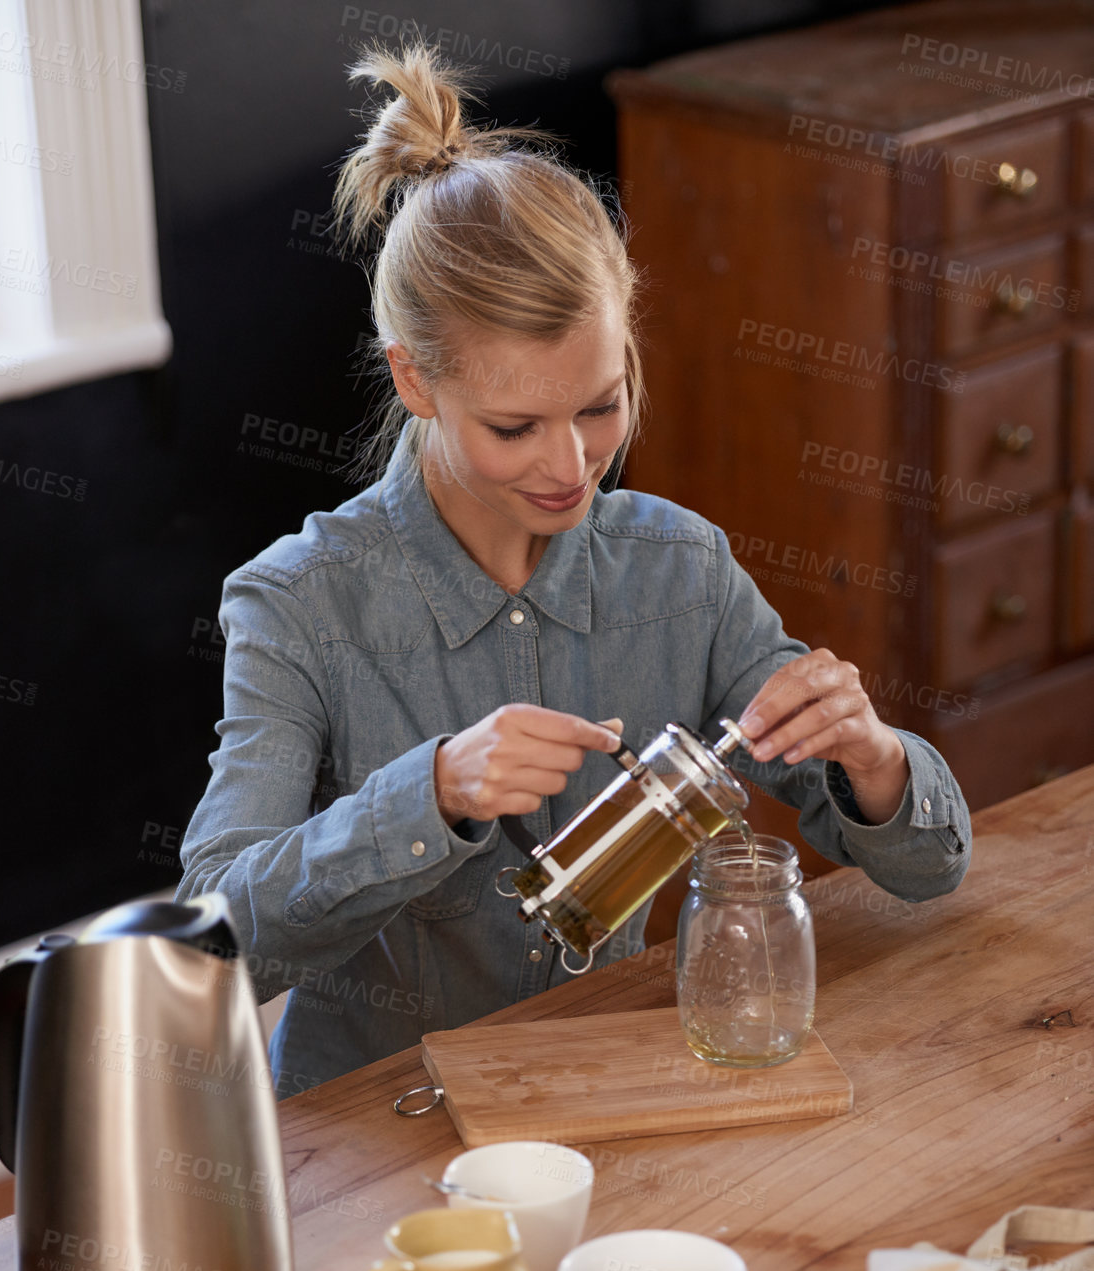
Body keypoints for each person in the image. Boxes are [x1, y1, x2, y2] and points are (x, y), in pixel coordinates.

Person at [175, 42, 970, 1102]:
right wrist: (437, 791)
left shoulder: (680, 570)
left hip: (617, 1092)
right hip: (374, 1136)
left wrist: (871, 761)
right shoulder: (299, 604)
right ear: (417, 381)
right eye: (515, 426)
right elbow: (207, 948)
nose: (571, 465)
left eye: (600, 405)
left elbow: (932, 866)